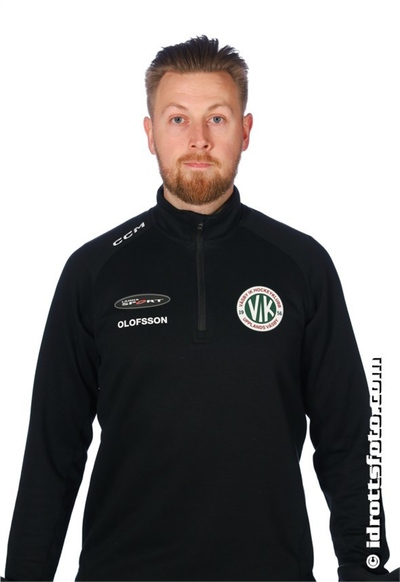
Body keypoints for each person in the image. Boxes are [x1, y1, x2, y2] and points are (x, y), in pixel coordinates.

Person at [2, 36, 398, 582]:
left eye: (216, 118)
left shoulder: (302, 265)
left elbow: (351, 438)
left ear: (245, 131)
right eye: (177, 119)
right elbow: (53, 448)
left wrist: (368, 567)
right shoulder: (93, 272)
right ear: (150, 134)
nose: (198, 140)